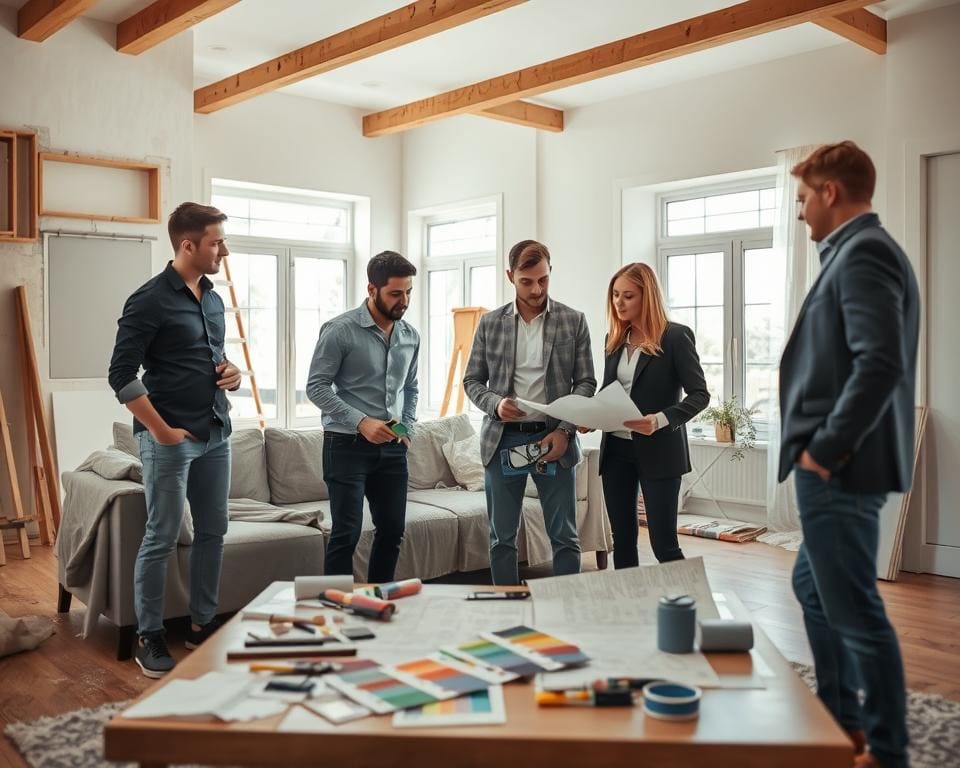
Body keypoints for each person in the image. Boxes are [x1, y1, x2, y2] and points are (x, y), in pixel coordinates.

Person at [781, 141, 918, 768]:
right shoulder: (855, 252)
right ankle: (844, 722)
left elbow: (880, 362)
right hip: (837, 467)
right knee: (813, 588)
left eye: (805, 198)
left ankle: (885, 749)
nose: (802, 212)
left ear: (831, 192)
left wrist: (824, 452)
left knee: (855, 607)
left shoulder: (864, 254)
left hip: (839, 468)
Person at [108, 202, 241, 678]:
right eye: (215, 242)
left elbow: (215, 359)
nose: (223, 250)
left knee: (213, 533)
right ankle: (150, 636)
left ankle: (202, 625)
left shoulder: (212, 297)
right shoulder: (148, 299)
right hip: (170, 438)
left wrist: (232, 374)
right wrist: (161, 431)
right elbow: (121, 374)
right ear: (188, 245)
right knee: (161, 536)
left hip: (216, 432)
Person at [463, 240, 595, 585]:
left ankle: (567, 605)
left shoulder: (573, 321)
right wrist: (495, 404)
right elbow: (472, 381)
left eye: (543, 280)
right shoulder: (490, 324)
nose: (536, 289)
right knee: (502, 539)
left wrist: (564, 430)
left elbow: (585, 383)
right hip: (503, 440)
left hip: (554, 440)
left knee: (565, 537)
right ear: (510, 276)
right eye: (527, 281)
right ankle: (508, 609)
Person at [306, 251, 420, 584]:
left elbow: (411, 388)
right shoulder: (340, 330)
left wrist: (407, 429)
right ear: (372, 289)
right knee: (346, 534)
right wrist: (361, 421)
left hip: (394, 448)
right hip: (345, 445)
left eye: (409, 292)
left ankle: (378, 605)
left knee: (393, 532)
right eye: (395, 293)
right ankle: (335, 616)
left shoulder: (411, 335)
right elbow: (316, 387)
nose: (404, 301)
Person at [597, 262, 709, 567]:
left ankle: (687, 609)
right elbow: (610, 393)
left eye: (628, 296)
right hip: (616, 451)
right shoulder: (613, 340)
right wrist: (590, 416)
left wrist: (658, 420)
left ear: (647, 297)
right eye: (615, 295)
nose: (618, 303)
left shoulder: (675, 337)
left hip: (659, 449)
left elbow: (700, 395)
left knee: (664, 545)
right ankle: (629, 610)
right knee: (623, 540)